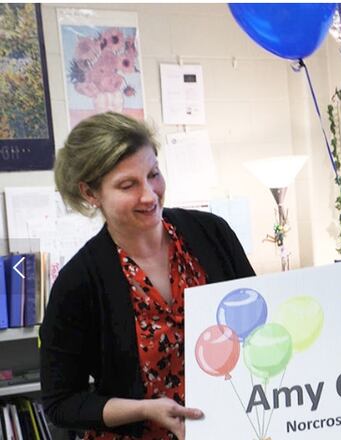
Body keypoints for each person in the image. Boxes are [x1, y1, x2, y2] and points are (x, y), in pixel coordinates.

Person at [40, 112, 256, 440]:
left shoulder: (212, 233)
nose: (150, 195)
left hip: (229, 429)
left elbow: (258, 321)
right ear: (91, 193)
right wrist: (143, 409)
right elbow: (61, 402)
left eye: (153, 174)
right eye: (128, 185)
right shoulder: (79, 281)